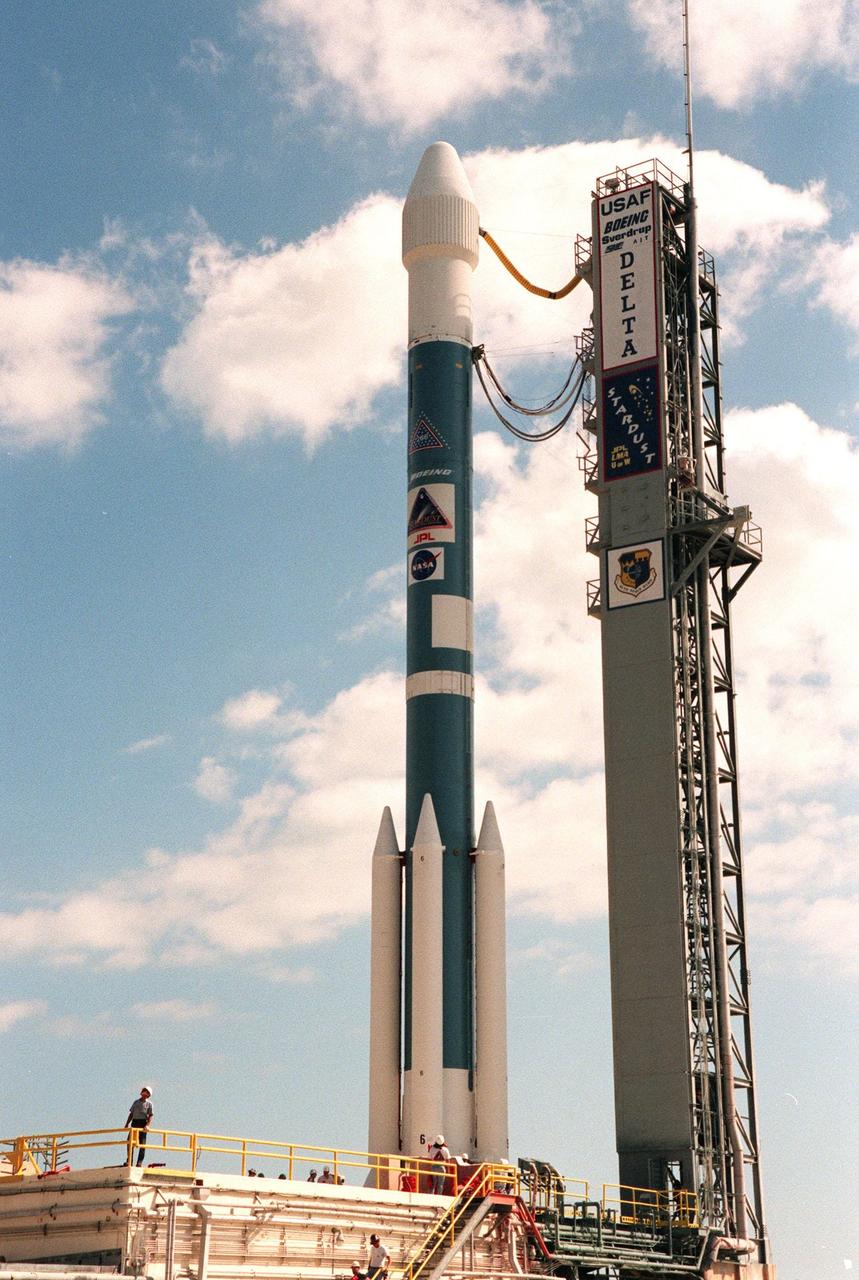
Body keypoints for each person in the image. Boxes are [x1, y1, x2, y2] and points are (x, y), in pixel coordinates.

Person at [125, 1086, 153, 1168]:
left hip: (143, 1123)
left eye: (146, 1091)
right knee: (130, 1142)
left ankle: (139, 1162)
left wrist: (147, 1125)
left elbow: (150, 1115)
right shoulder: (136, 1102)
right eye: (143, 1090)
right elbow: (131, 1114)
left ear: (148, 1095)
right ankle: (129, 1160)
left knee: (142, 1144)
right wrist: (127, 1124)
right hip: (135, 1123)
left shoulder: (149, 1104)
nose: (143, 1092)